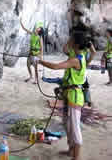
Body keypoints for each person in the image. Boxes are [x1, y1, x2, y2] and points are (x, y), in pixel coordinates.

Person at [37, 31, 88, 160]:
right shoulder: (76, 54)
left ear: (76, 44)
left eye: (71, 40)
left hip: (75, 97)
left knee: (75, 127)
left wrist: (40, 61)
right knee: (67, 124)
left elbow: (55, 67)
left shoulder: (76, 59)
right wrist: (71, 40)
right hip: (68, 94)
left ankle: (76, 157)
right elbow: (65, 49)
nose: (68, 41)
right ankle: (71, 150)